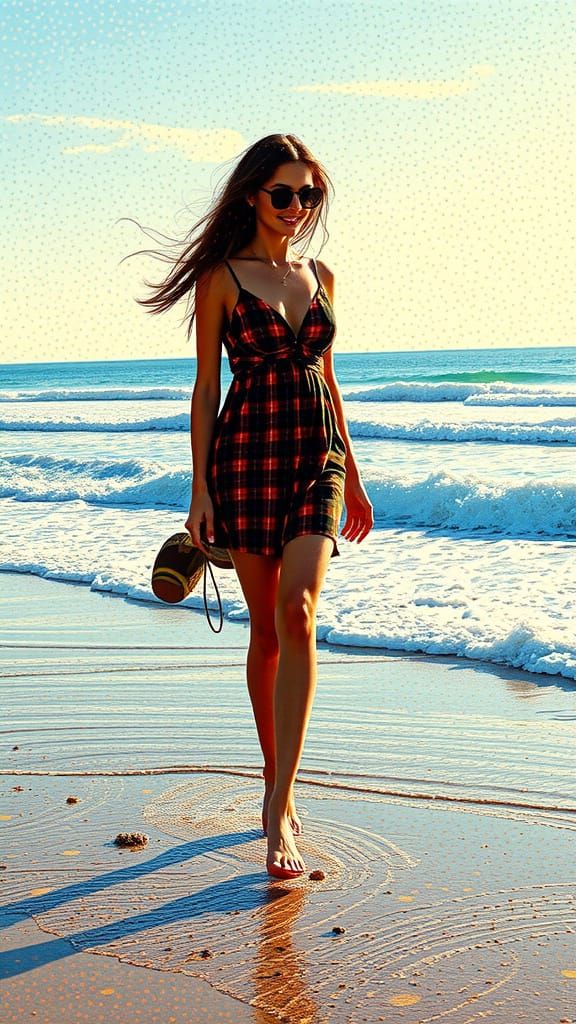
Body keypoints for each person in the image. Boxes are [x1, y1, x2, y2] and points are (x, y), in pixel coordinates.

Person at [134, 134, 373, 879]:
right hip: (246, 458)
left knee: (298, 613)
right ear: (251, 196)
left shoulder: (322, 273)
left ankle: (278, 807)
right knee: (268, 634)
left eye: (309, 195)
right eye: (284, 194)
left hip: (317, 457)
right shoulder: (222, 278)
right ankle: (276, 779)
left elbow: (329, 384)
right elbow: (206, 388)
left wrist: (355, 475)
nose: (298, 208)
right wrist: (200, 488)